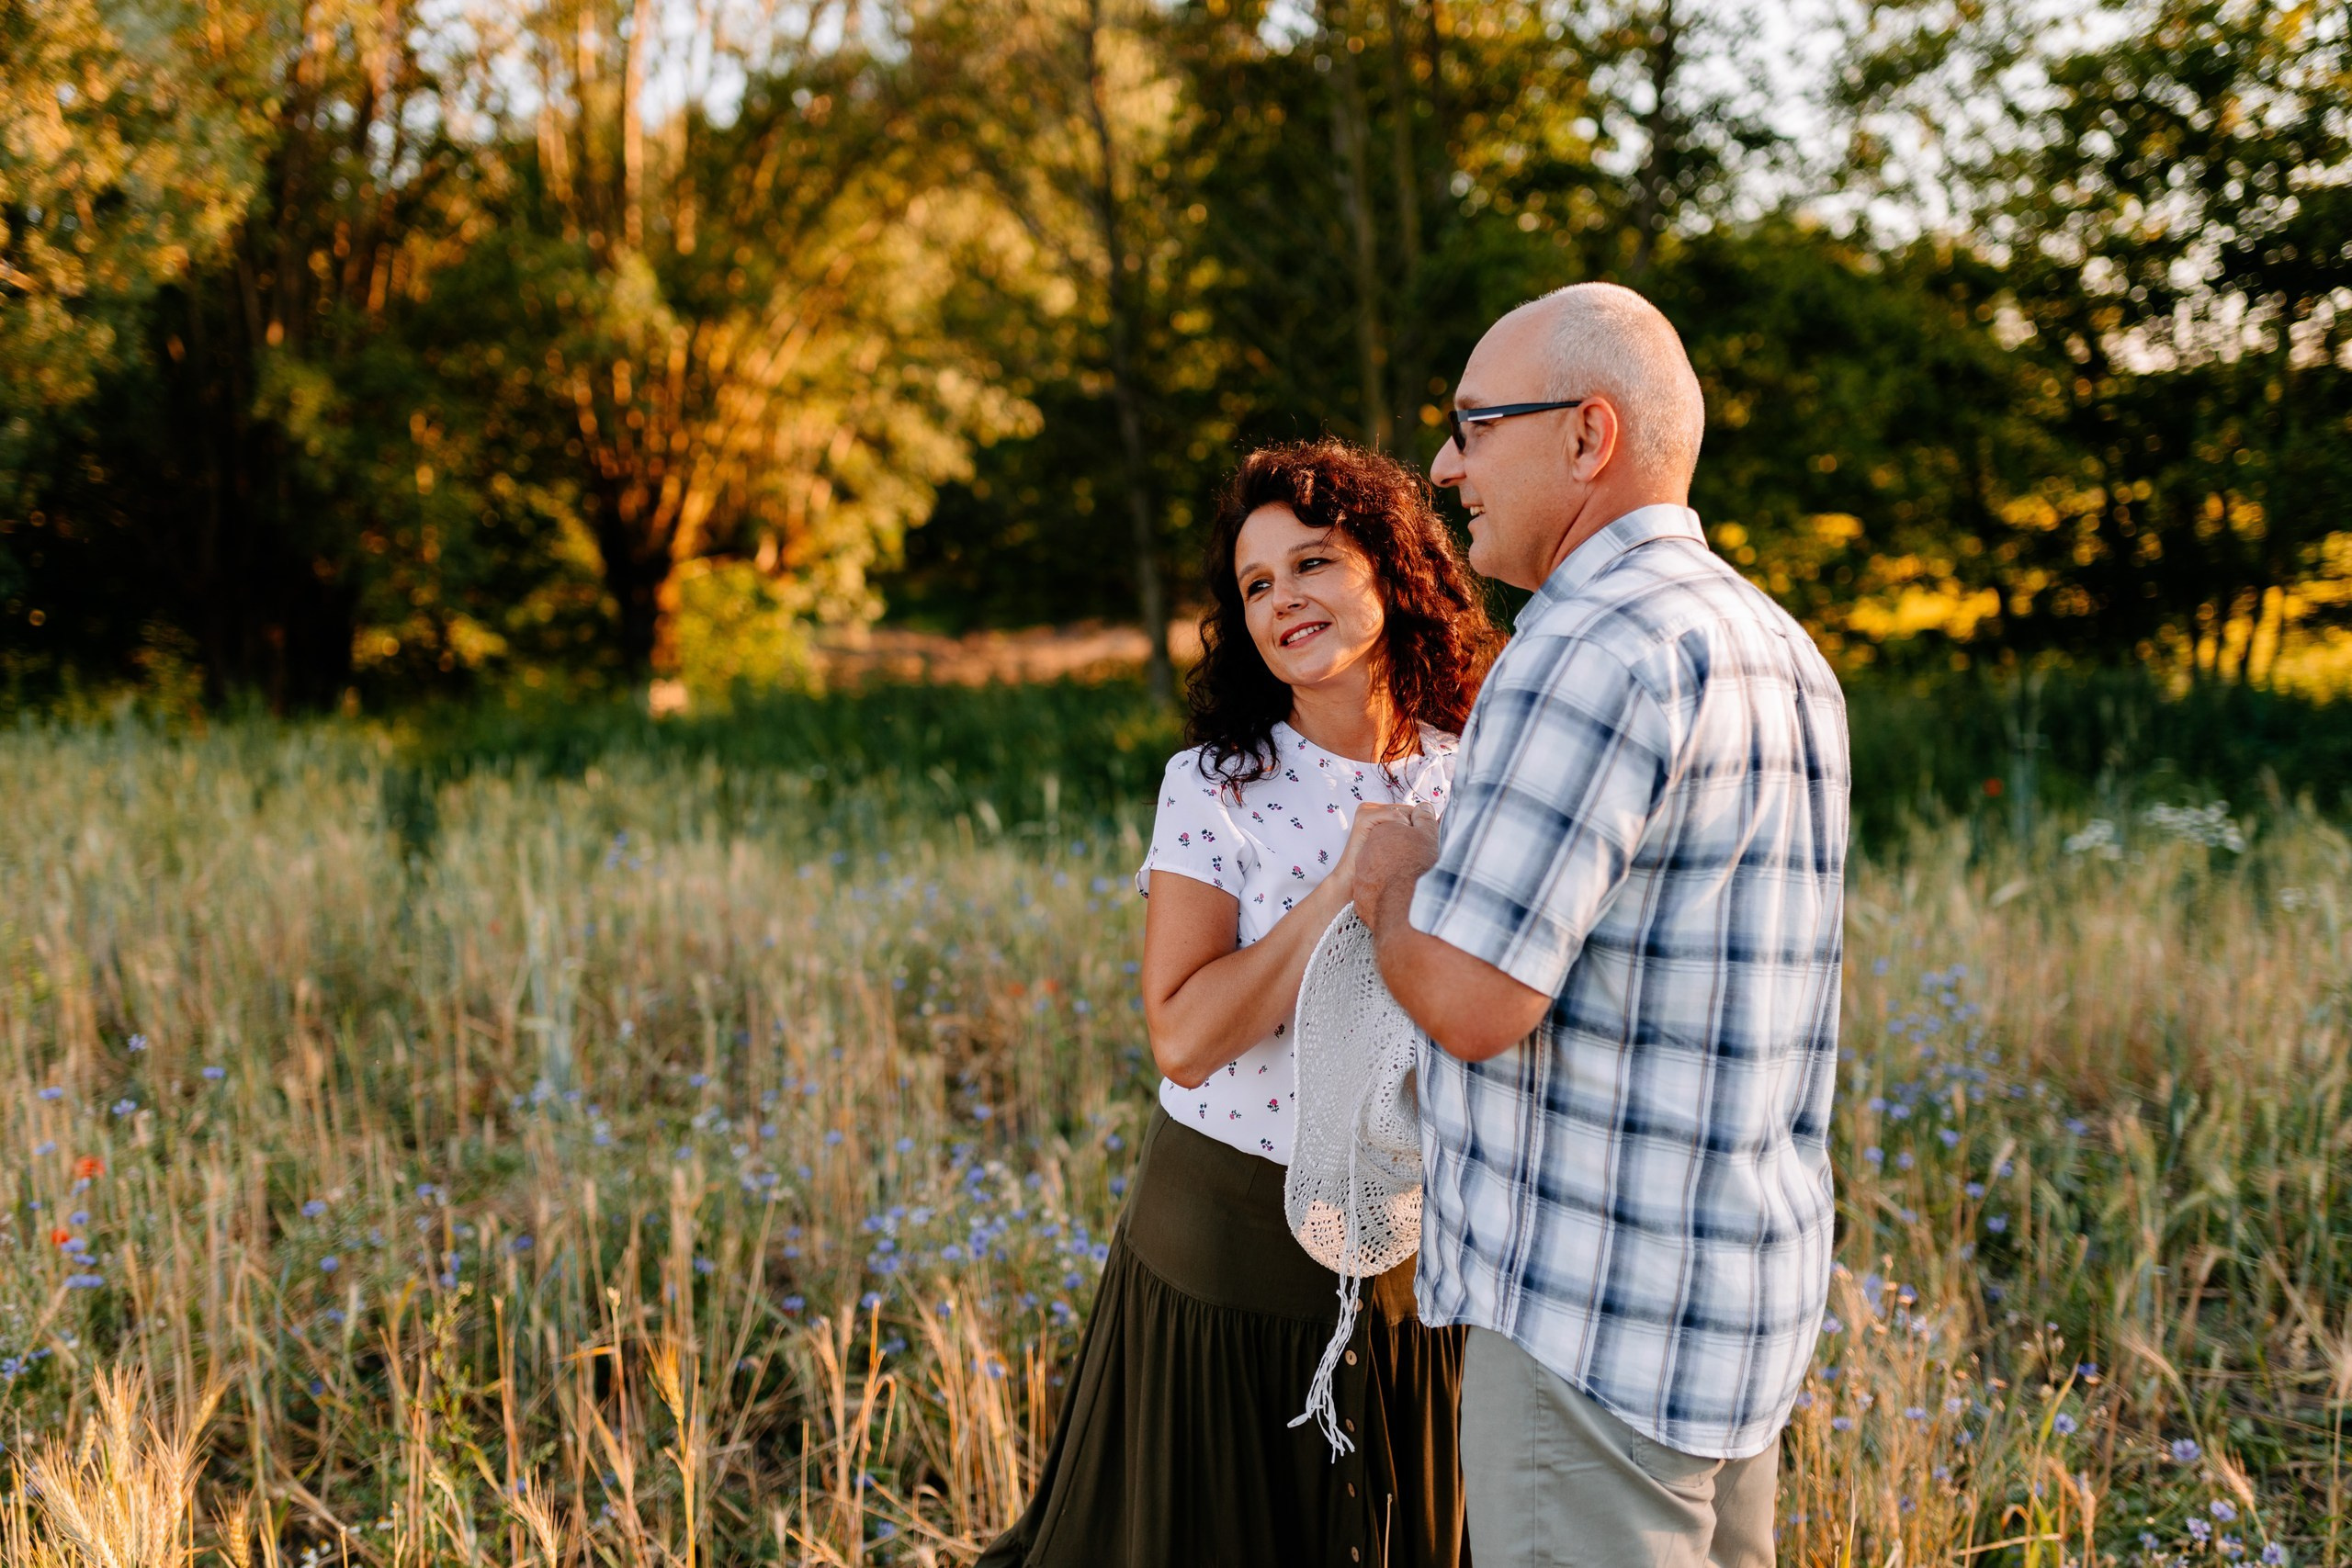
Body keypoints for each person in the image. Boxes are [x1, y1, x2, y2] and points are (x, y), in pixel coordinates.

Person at [1351, 282, 1851, 1568]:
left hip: (1591, 1325)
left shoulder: (1586, 642)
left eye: (1473, 426)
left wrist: (1393, 875)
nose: (1446, 466)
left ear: (1588, 436)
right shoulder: (1776, 642)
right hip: (1733, 1301)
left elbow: (1471, 999)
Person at [979, 438, 1501, 1568]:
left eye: (1311, 564)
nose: (1283, 600)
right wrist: (1338, 893)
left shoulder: (1480, 774)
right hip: (1222, 1251)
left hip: (1428, 1257)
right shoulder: (1216, 788)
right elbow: (1184, 1036)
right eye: (1257, 585)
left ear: (1394, 572)